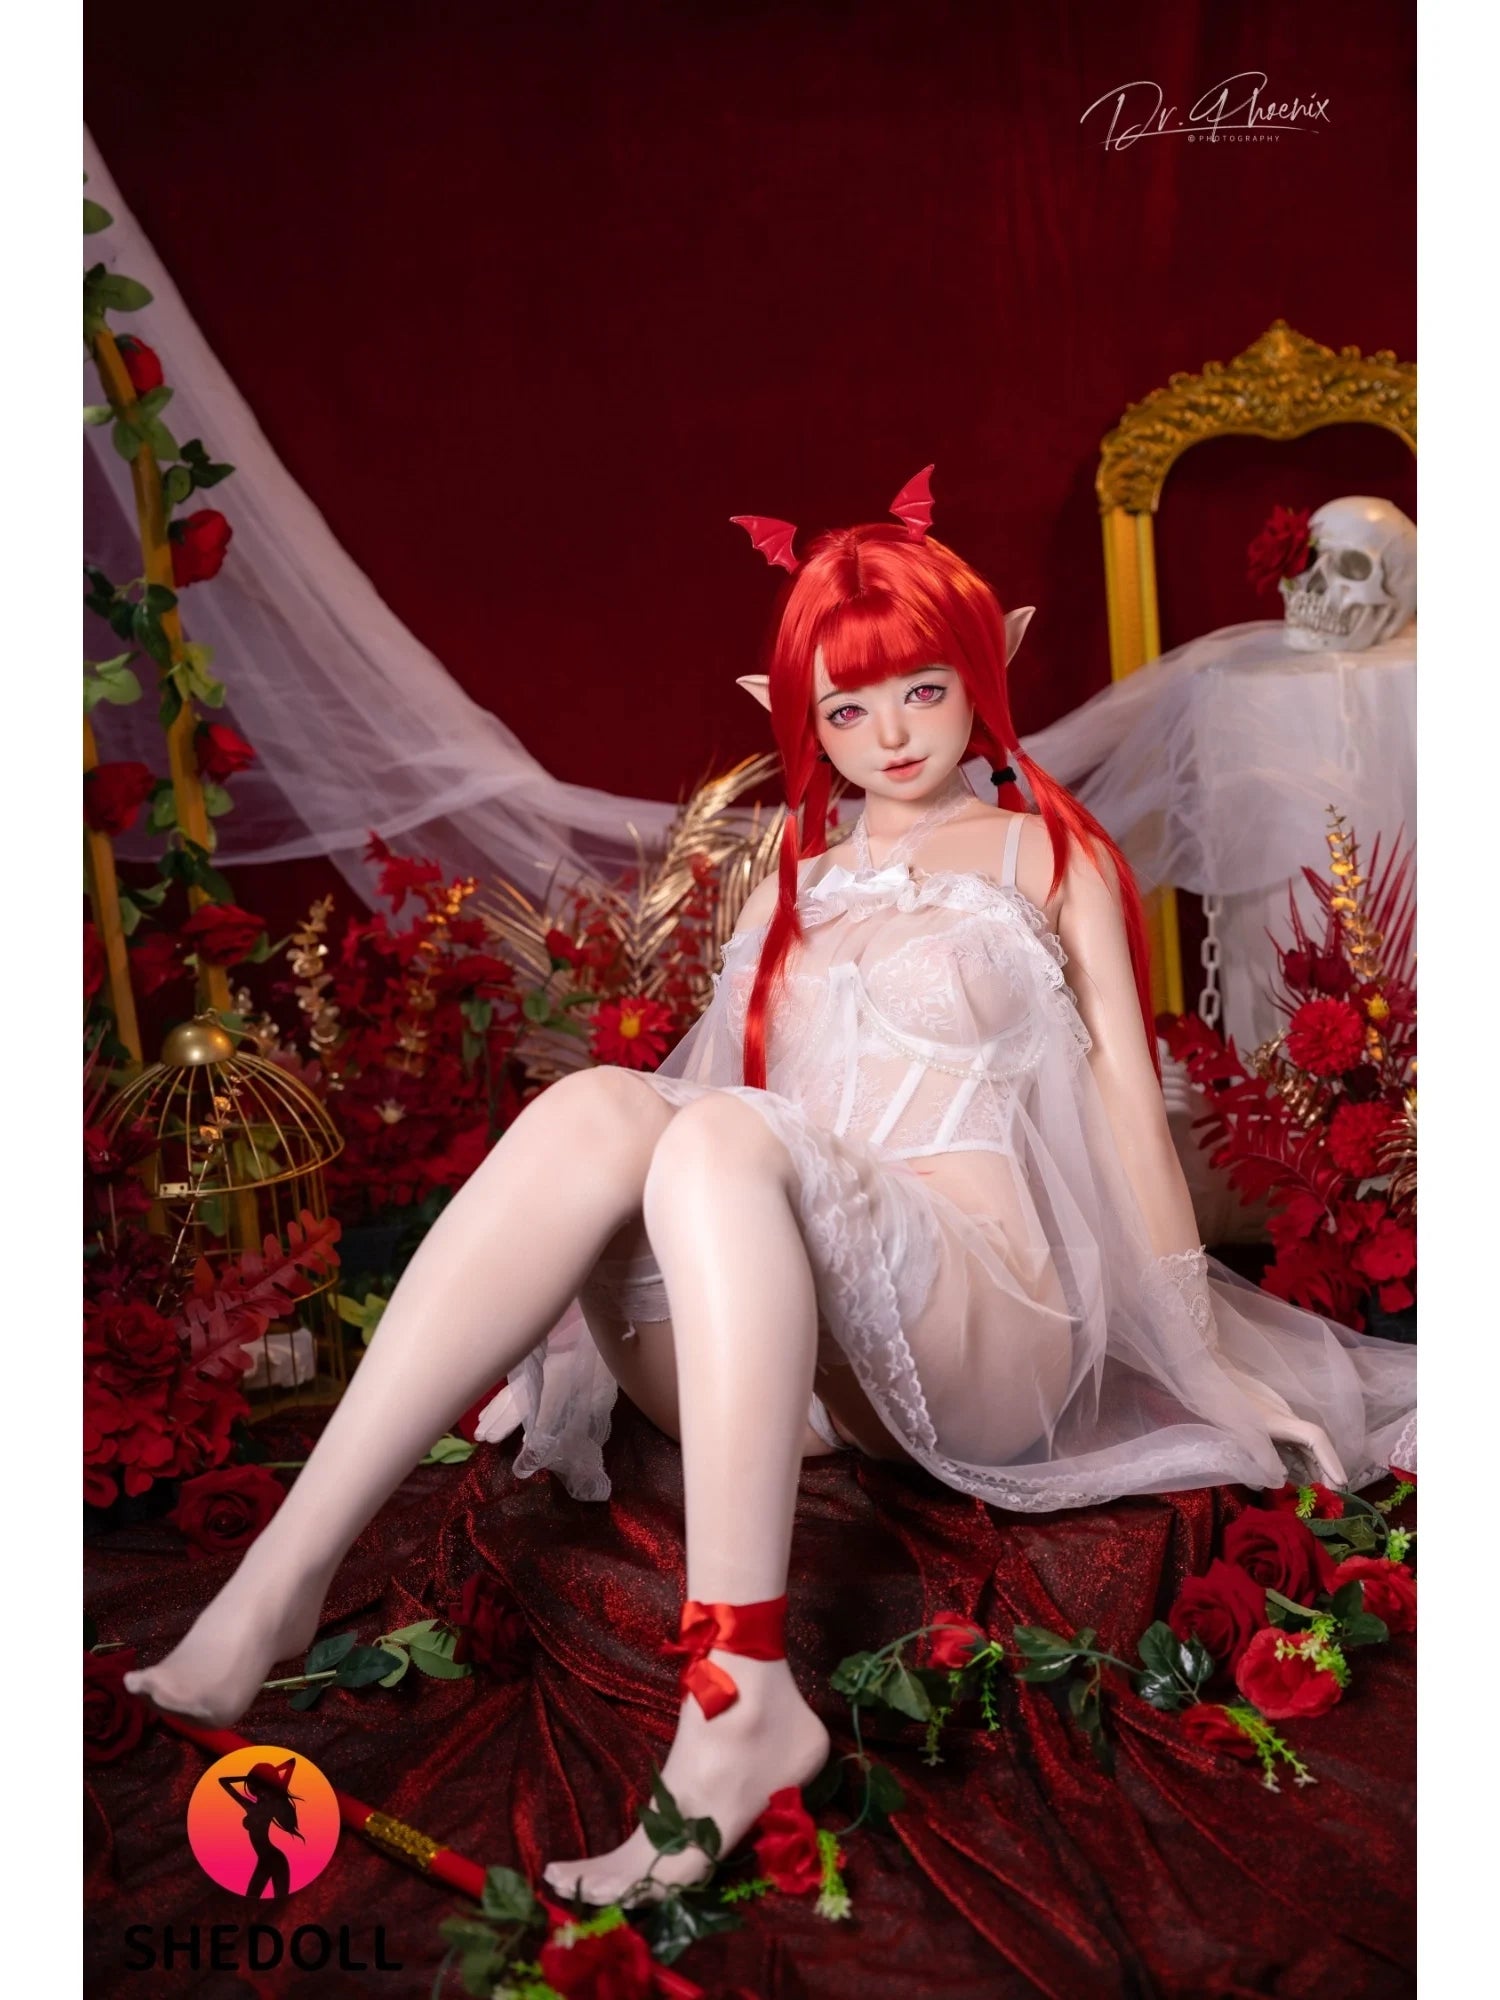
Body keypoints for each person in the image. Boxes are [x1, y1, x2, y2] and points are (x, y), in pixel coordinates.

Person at [126, 468, 1416, 1910]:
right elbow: (709, 1095)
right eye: (846, 712)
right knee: (599, 1104)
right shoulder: (790, 867)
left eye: (922, 692)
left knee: (720, 1139)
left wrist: (1199, 1341)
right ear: (798, 716)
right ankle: (283, 1576)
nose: (891, 736)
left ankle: (737, 1698)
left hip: (987, 1314)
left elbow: (1125, 1110)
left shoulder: (1047, 853)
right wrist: (561, 1330)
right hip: (797, 1340)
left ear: (982, 671)